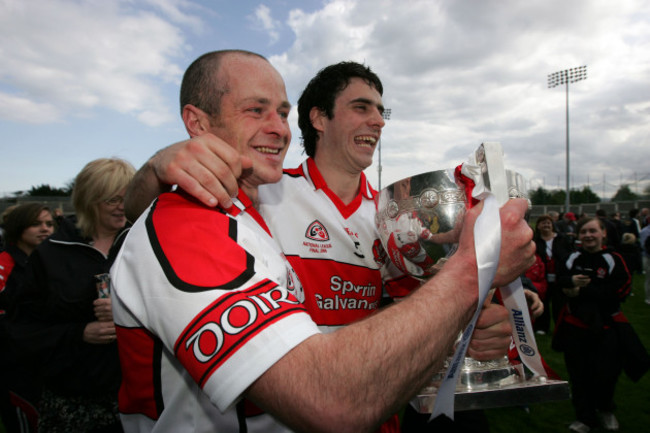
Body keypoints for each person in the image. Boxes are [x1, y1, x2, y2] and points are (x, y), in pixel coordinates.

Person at [112, 50, 534, 433]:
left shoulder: (389, 217)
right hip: (324, 396)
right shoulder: (267, 194)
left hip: (371, 403)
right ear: (319, 117)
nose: (277, 127)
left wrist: (467, 329)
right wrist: (157, 168)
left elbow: (419, 307)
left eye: (280, 112)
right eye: (256, 109)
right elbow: (149, 219)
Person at [10, 158, 134, 433]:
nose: (122, 206)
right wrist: (79, 332)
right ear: (90, 199)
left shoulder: (142, 243)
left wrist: (129, 310)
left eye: (128, 197)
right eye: (113, 199)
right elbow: (22, 329)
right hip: (75, 400)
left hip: (138, 392)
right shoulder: (51, 254)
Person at [553, 217, 636, 432]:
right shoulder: (572, 257)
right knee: (578, 374)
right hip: (575, 327)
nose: (588, 235)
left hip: (607, 328)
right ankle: (585, 417)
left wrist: (584, 291)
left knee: (606, 374)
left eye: (593, 231)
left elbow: (622, 289)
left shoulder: (613, 258)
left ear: (603, 233)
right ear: (578, 235)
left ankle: (606, 409)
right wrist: (570, 283)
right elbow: (559, 279)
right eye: (584, 232)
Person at [0, 203, 55, 433]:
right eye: (36, 224)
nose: (45, 229)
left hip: (47, 364)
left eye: (50, 224)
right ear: (19, 227)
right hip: (16, 368)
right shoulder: (4, 262)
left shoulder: (52, 261)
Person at [533, 214, 574, 331]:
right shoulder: (535, 241)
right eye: (543, 223)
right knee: (543, 302)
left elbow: (570, 256)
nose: (546, 225)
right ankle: (541, 327)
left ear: (552, 225)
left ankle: (560, 326)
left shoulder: (562, 239)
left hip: (559, 276)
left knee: (559, 304)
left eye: (548, 223)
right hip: (542, 277)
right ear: (538, 226)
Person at [640, 223, 650, 305]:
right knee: (648, 279)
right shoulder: (645, 231)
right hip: (647, 257)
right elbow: (643, 246)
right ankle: (648, 298)